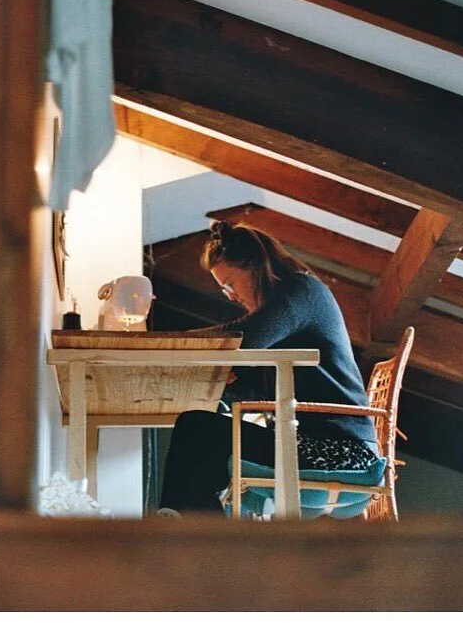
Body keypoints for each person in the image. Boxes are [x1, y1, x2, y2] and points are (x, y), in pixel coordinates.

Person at [157, 219, 382, 514]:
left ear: (255, 266)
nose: (232, 296)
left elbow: (245, 337)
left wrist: (169, 341)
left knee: (197, 429)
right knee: (203, 444)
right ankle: (195, 537)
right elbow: (253, 377)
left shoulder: (302, 290)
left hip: (344, 455)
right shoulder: (290, 310)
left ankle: (187, 534)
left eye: (229, 284)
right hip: (319, 448)